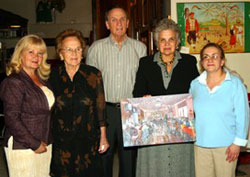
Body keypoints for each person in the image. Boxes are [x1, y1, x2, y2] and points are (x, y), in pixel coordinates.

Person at [133, 18, 199, 177]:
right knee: (155, 168)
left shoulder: (189, 62)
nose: (167, 44)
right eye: (163, 40)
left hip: (180, 127)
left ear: (177, 42)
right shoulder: (145, 63)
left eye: (171, 39)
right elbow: (137, 92)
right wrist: (144, 98)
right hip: (154, 127)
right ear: (157, 43)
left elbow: (196, 92)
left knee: (180, 167)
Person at [86, 6, 147, 177]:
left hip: (131, 111)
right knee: (103, 158)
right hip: (104, 111)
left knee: (129, 161)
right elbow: (90, 86)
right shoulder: (96, 49)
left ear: (127, 23)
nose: (118, 23)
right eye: (114, 19)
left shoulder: (140, 48)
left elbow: (144, 81)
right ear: (107, 24)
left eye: (122, 19)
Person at [49, 29, 109, 177]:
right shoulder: (52, 76)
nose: (74, 53)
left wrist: (103, 136)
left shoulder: (94, 74)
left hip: (88, 140)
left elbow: (100, 108)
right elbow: (48, 110)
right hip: (61, 141)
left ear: (82, 52)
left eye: (78, 49)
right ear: (61, 54)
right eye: (69, 50)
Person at [189, 43, 249, 177]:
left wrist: (237, 143)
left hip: (227, 146)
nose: (210, 60)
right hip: (200, 145)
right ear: (202, 62)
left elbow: (243, 115)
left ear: (222, 61)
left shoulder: (235, 84)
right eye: (206, 57)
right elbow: (190, 115)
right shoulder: (194, 85)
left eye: (215, 56)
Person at [0, 34, 55, 177]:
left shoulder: (43, 80)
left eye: (40, 53)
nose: (36, 56)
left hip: (45, 142)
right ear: (20, 54)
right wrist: (34, 144)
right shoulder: (14, 82)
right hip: (23, 146)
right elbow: (12, 119)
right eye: (31, 52)